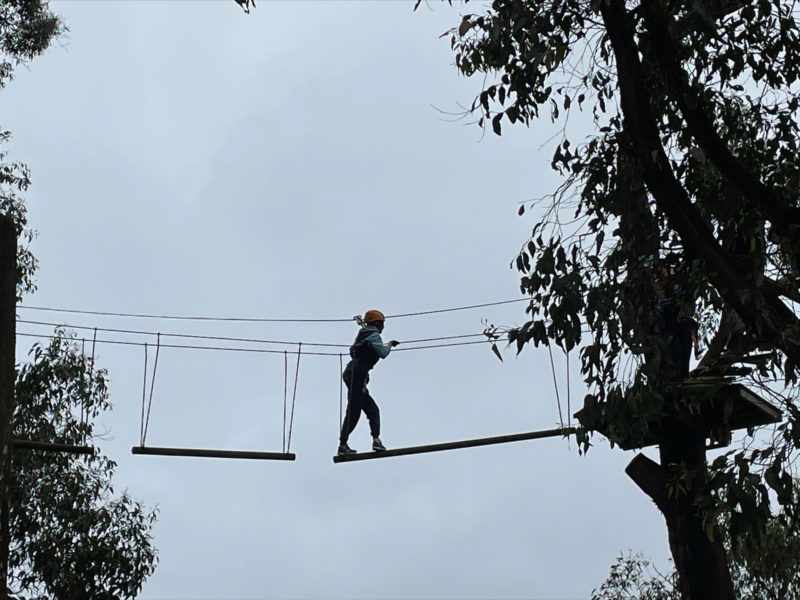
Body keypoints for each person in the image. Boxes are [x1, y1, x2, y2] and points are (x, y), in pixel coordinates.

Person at [338, 309, 399, 456]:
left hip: (353, 373)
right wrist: (390, 344)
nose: (383, 327)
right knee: (354, 410)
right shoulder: (374, 335)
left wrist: (360, 322)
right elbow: (383, 353)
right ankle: (343, 445)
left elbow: (364, 327)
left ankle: (375, 440)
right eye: (382, 324)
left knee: (372, 410)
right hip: (357, 374)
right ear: (378, 323)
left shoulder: (364, 333)